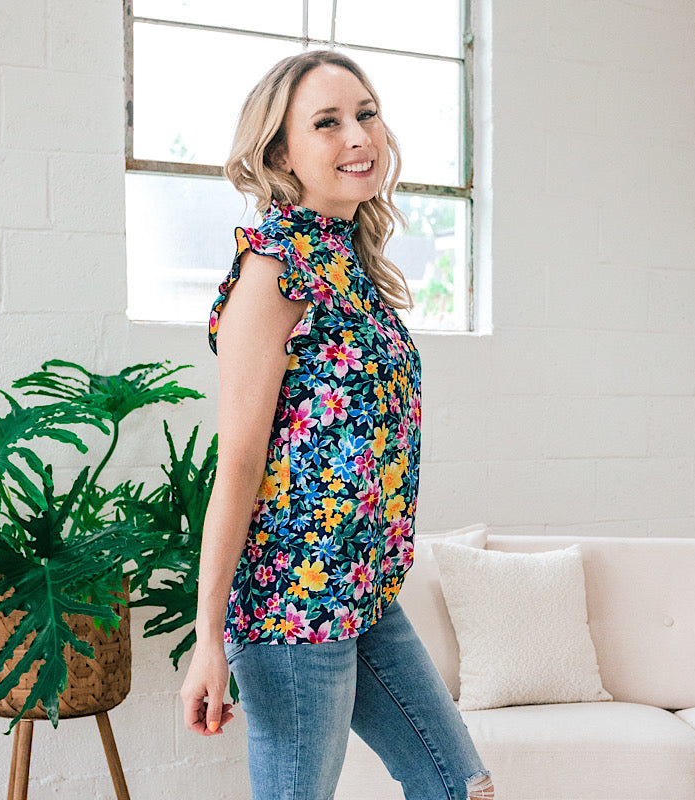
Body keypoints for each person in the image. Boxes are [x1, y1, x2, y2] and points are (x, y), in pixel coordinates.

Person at [179, 50, 493, 800]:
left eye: (366, 114)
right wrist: (207, 637)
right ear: (281, 154)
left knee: (460, 787)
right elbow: (239, 463)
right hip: (292, 606)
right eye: (327, 122)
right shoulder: (273, 268)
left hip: (364, 592)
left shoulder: (348, 261)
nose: (358, 135)